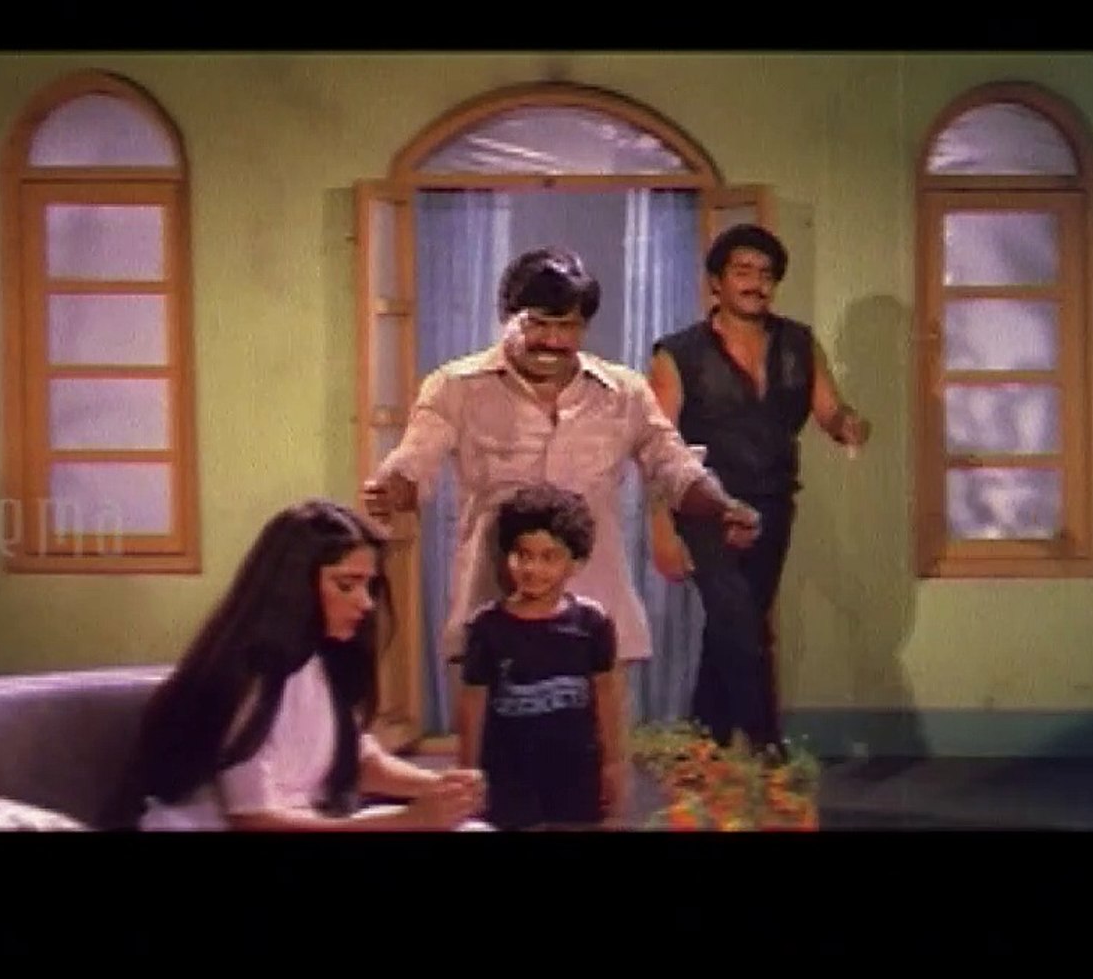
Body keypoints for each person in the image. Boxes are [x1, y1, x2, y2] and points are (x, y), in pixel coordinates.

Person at [359, 246, 763, 746]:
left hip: (597, 614)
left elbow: (673, 465)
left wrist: (721, 507)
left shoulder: (624, 393)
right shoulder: (454, 388)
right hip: (494, 610)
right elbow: (414, 459)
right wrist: (391, 489)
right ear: (507, 316)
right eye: (538, 324)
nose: (552, 341)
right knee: (494, 763)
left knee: (598, 760)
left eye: (568, 326)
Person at [131, 498, 491, 830]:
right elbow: (255, 820)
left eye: (368, 586)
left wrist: (441, 788)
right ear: (294, 587)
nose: (366, 603)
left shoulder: (326, 661)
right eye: (346, 586)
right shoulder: (246, 679)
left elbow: (356, 760)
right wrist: (407, 821)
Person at [647, 223, 870, 753]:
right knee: (742, 627)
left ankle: (704, 748)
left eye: (766, 274)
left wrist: (850, 425)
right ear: (716, 283)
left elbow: (830, 410)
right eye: (743, 271)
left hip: (772, 504)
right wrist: (661, 531)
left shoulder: (799, 343)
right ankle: (769, 752)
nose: (756, 283)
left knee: (731, 629)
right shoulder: (678, 354)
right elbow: (655, 447)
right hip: (704, 505)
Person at [458, 483, 622, 830]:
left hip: (575, 769)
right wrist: (468, 774)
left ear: (575, 562)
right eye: (523, 555)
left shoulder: (593, 623)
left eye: (549, 557)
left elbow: (606, 695)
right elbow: (473, 704)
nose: (532, 568)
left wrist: (612, 763)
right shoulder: (486, 627)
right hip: (509, 772)